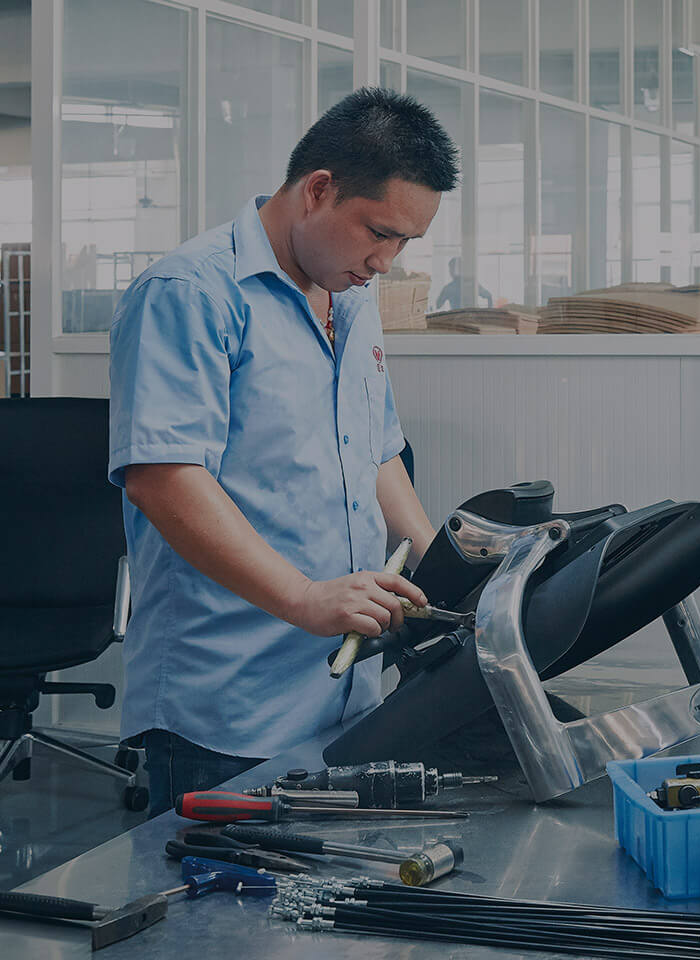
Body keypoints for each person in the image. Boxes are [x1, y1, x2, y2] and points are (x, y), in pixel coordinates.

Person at [108, 88, 459, 815]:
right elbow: (163, 478)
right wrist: (304, 598)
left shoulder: (351, 296)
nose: (385, 261)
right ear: (318, 190)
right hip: (229, 706)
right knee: (220, 890)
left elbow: (376, 451)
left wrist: (443, 566)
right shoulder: (190, 292)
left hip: (345, 692)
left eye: (405, 243)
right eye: (378, 232)